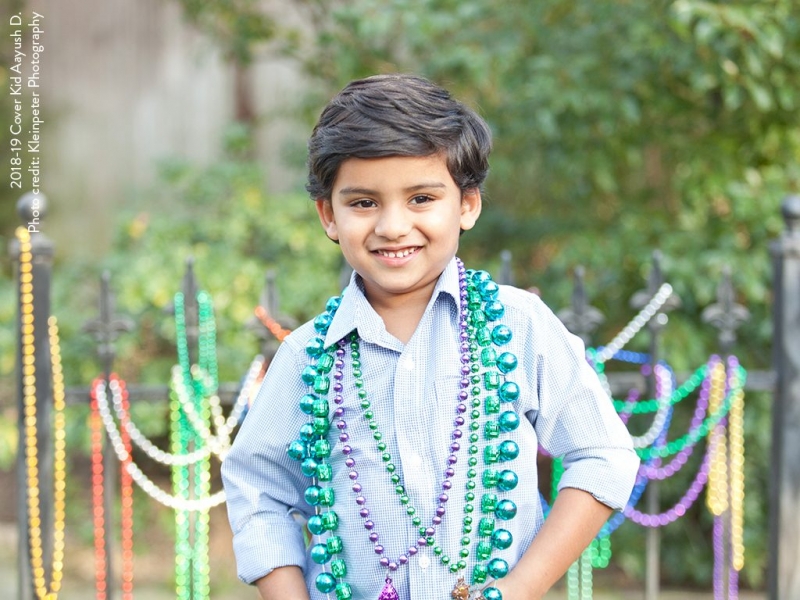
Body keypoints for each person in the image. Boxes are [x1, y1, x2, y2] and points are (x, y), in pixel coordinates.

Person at [221, 74, 639, 600]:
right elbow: (259, 490)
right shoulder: (307, 355)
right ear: (329, 215)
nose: (393, 226)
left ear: (466, 205)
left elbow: (603, 455)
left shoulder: (520, 325)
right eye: (364, 203)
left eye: (421, 198)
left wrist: (520, 589)